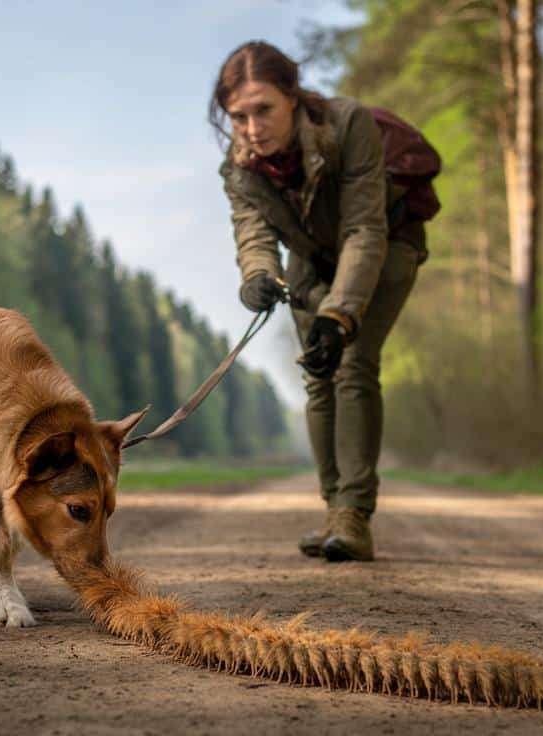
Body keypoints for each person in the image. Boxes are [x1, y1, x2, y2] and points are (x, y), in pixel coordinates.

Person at [212, 41, 427, 562]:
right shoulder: (240, 167)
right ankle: (335, 509)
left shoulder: (349, 124)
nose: (252, 128)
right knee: (317, 373)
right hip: (313, 257)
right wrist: (258, 277)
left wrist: (338, 313)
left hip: (385, 244)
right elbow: (253, 234)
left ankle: (354, 516)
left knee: (352, 361)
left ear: (292, 97)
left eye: (263, 109)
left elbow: (363, 227)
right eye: (238, 116)